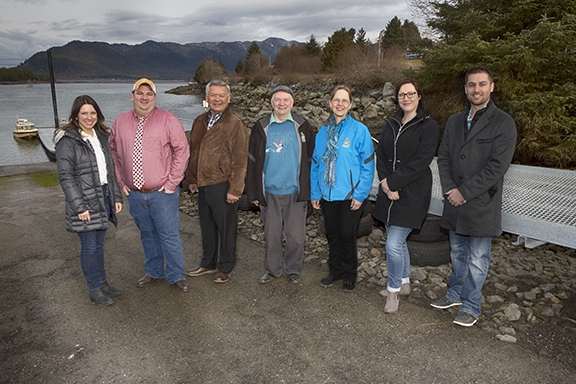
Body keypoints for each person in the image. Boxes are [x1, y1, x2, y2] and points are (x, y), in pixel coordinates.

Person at [431, 66, 517, 326]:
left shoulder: (503, 123)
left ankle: (471, 305)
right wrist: (449, 189)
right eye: (471, 85)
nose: (476, 89)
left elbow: (496, 167)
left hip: (481, 202)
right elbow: (444, 156)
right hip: (454, 202)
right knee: (457, 252)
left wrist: (464, 192)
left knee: (478, 258)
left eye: (481, 84)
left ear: (492, 86)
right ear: (465, 88)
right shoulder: (456, 121)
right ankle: (456, 293)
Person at [110, 78, 190, 293]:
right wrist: (120, 181)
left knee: (169, 234)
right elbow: (114, 153)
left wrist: (172, 183)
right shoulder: (120, 122)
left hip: (162, 193)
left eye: (149, 94)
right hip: (135, 194)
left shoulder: (168, 120)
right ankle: (154, 270)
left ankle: (176, 275)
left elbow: (182, 151)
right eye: (140, 93)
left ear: (155, 97)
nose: (144, 97)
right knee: (147, 234)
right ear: (132, 95)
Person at [374, 79, 440, 313]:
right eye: (402, 94)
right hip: (388, 191)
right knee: (396, 240)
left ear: (419, 96)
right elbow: (380, 154)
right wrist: (384, 182)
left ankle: (392, 293)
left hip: (412, 192)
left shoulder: (429, 126)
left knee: (393, 244)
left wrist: (393, 182)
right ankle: (403, 284)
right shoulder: (391, 124)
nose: (406, 98)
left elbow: (420, 161)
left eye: (411, 93)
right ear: (397, 99)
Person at [55, 95, 123, 306]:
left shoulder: (101, 135)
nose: (89, 117)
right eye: (84, 113)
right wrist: (79, 207)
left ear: (98, 114)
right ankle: (94, 288)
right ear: (76, 115)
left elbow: (109, 170)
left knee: (100, 245)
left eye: (92, 113)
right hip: (84, 201)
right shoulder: (68, 141)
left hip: (103, 196)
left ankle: (102, 283)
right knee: (89, 247)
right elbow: (66, 177)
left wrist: (116, 196)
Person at [246, 85, 316, 285]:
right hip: (269, 192)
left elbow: (311, 159)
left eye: (286, 100)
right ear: (271, 102)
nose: (282, 103)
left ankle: (293, 269)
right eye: (278, 100)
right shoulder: (261, 127)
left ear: (292, 103)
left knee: (296, 237)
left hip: (295, 192)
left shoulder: (303, 125)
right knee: (272, 235)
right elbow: (252, 161)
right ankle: (272, 269)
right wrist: (253, 191)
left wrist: (311, 190)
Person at [310, 85, 375, 292]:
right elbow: (315, 164)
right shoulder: (322, 132)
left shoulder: (359, 130)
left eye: (344, 100)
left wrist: (360, 194)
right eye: (336, 100)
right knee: (332, 234)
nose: (340, 104)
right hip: (327, 194)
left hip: (350, 195)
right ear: (330, 103)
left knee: (347, 234)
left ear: (350, 104)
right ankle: (335, 271)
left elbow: (368, 164)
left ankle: (349, 275)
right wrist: (315, 192)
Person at [186, 80, 249, 284]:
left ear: (228, 99)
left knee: (227, 228)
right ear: (207, 98)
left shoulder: (235, 123)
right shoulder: (199, 121)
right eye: (213, 95)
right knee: (207, 227)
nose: (217, 99)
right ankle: (208, 263)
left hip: (223, 184)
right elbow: (193, 152)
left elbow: (240, 160)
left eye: (221, 95)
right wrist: (192, 178)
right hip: (203, 184)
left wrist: (236, 189)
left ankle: (225, 267)